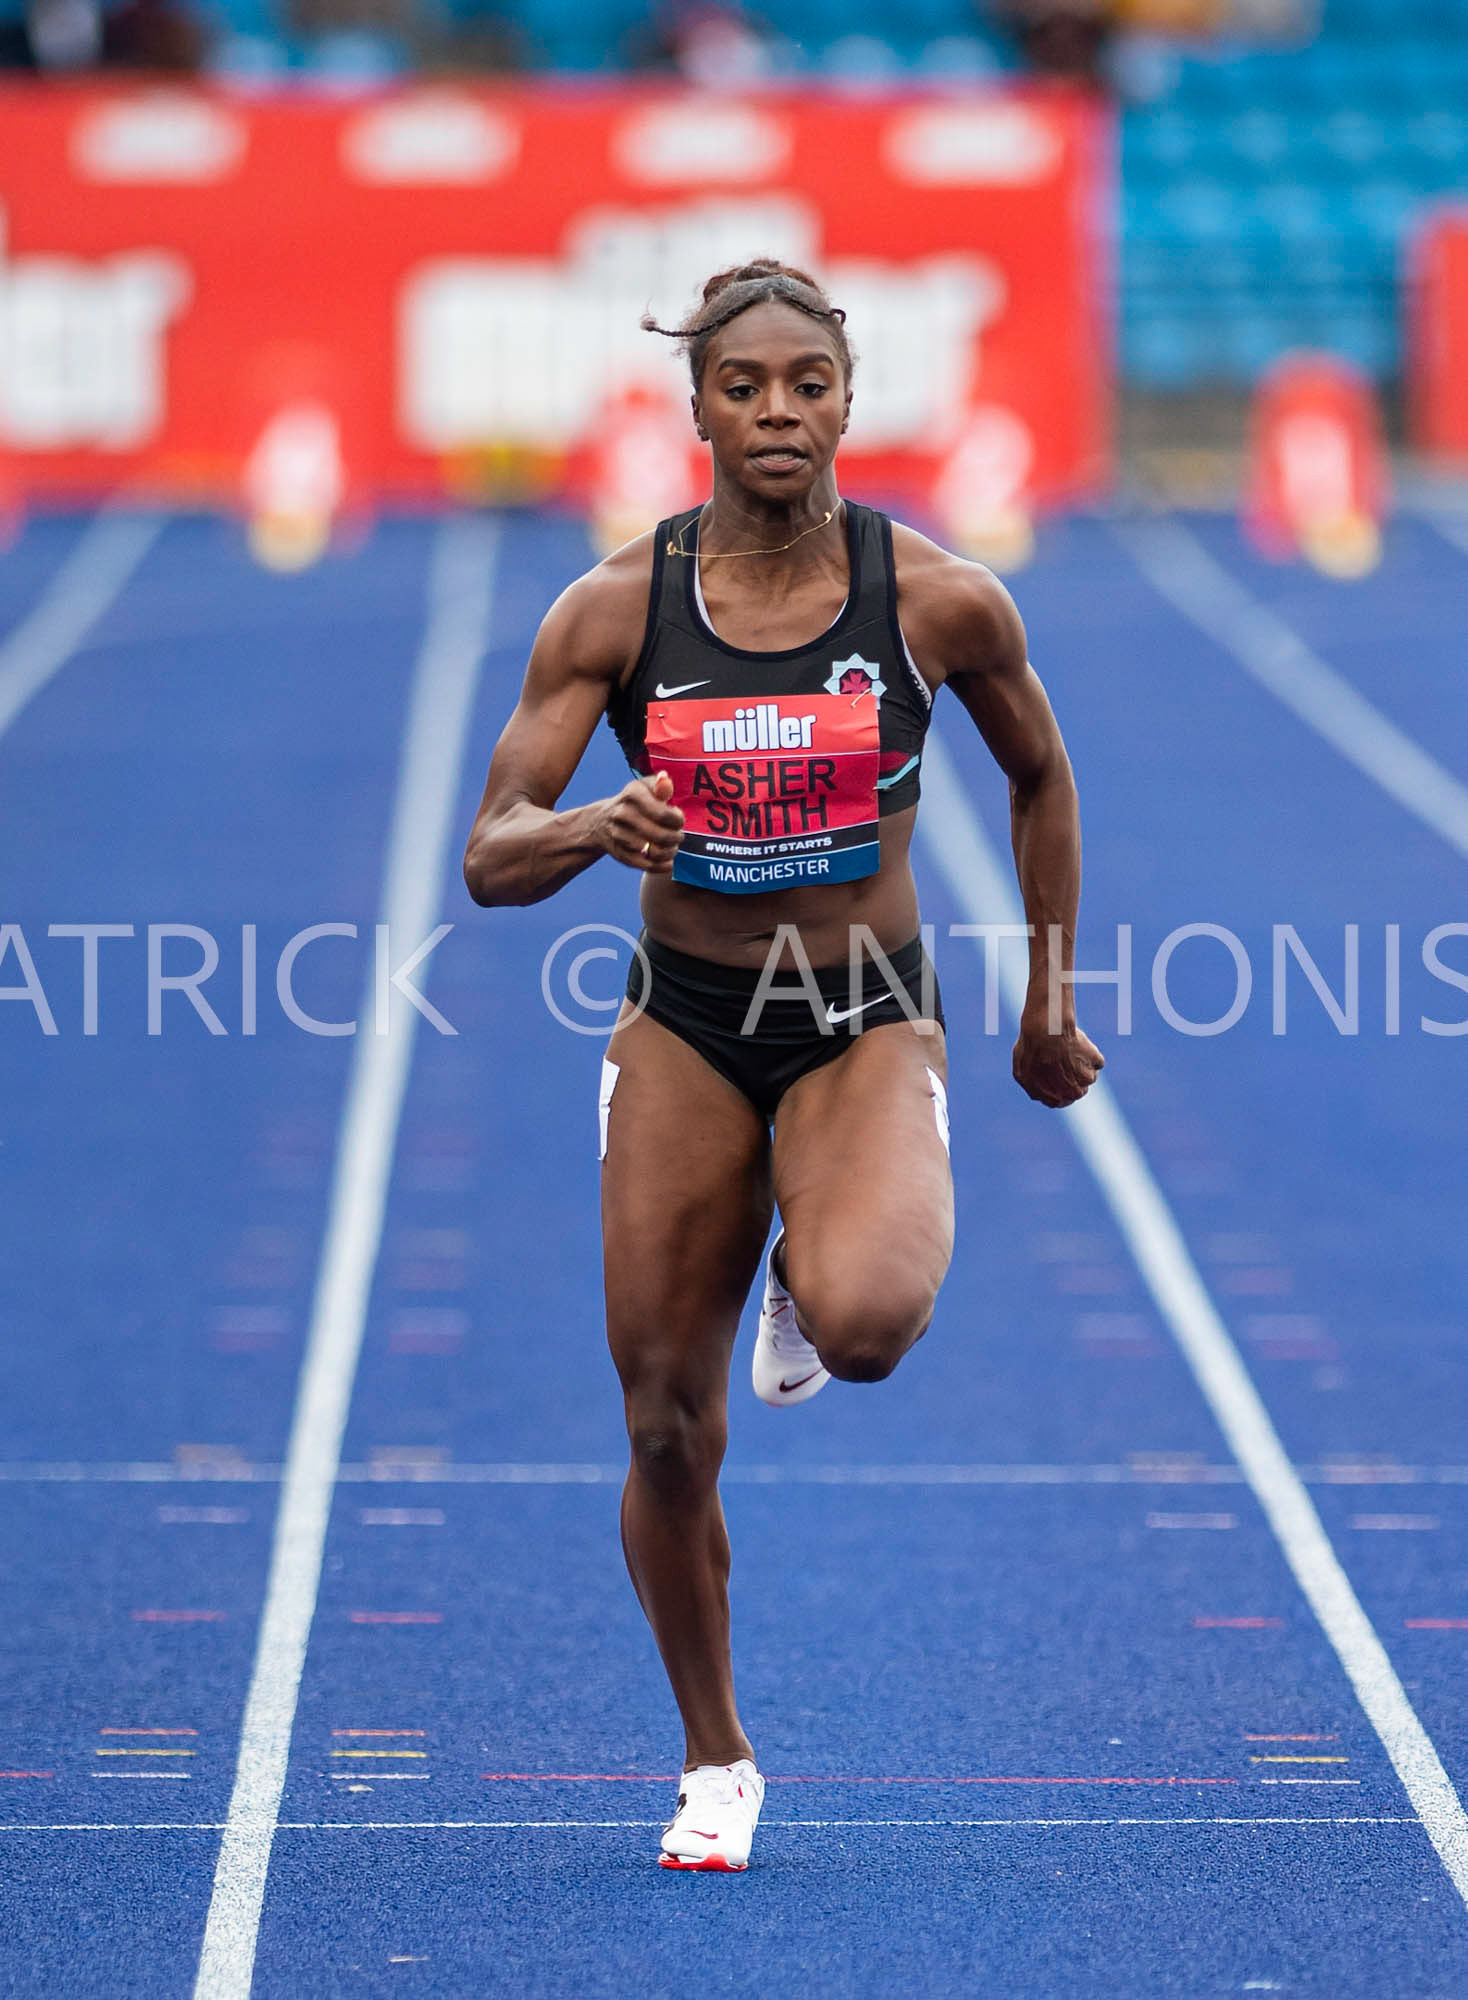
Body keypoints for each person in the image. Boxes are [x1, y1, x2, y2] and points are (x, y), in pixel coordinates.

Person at [462, 259, 1104, 1872]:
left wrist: (1047, 997)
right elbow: (488, 852)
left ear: (845, 401)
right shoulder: (612, 611)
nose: (774, 411)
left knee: (873, 1324)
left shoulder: (940, 599)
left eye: (804, 384)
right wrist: (591, 826)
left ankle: (809, 1267)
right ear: (696, 408)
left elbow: (1043, 778)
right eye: (742, 385)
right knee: (668, 1424)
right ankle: (715, 1760)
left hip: (866, 1015)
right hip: (685, 1022)